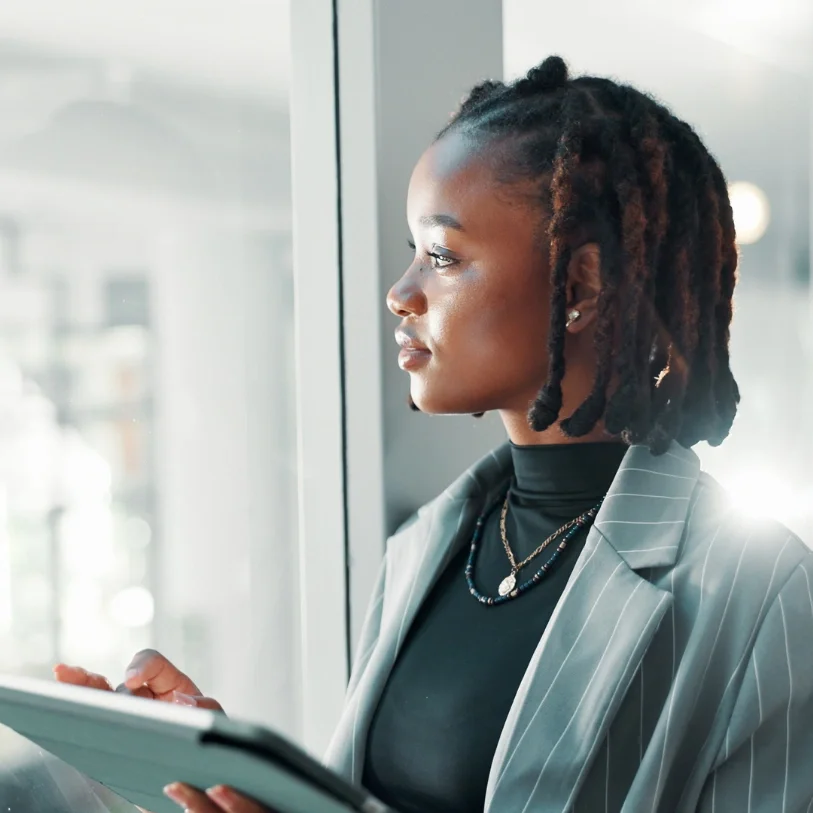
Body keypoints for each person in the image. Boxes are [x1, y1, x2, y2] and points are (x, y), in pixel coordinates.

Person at [56, 56, 813, 813]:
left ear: (578, 284)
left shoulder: (759, 592)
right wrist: (233, 774)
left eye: (442, 256)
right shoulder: (424, 546)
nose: (399, 292)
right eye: (412, 252)